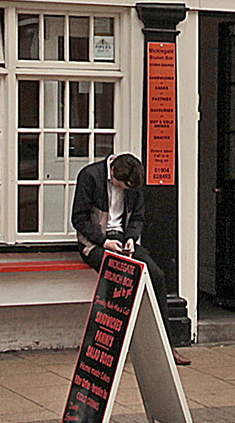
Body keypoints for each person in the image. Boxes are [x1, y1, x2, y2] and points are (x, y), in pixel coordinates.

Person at [73, 151, 189, 365]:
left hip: (122, 237)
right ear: (113, 172)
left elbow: (137, 217)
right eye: (120, 185)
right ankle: (112, 346)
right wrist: (103, 241)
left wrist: (131, 239)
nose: (122, 190)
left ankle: (166, 346)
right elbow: (79, 218)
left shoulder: (134, 182)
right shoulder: (89, 176)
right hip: (95, 241)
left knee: (156, 274)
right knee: (119, 274)